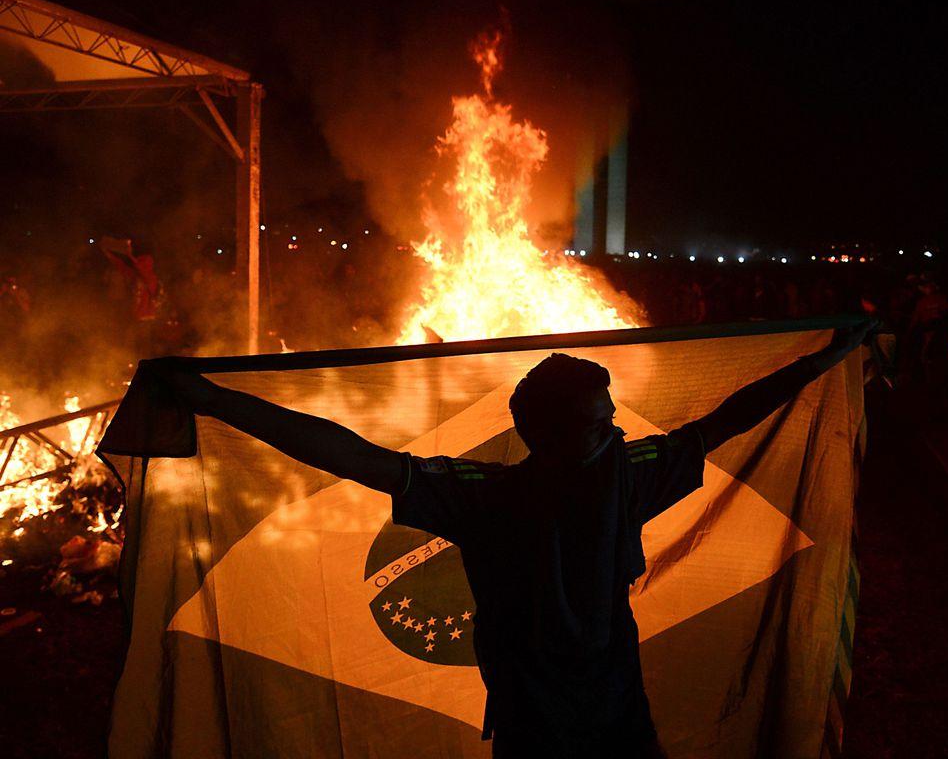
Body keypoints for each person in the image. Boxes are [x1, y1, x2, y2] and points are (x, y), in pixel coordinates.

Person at [156, 319, 876, 758]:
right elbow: (344, 452)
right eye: (601, 423)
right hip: (538, 722)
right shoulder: (525, 493)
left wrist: (817, 361)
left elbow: (728, 417)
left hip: (613, 708)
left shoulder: (582, 480)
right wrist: (218, 401)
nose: (618, 430)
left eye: (612, 418)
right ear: (556, 437)